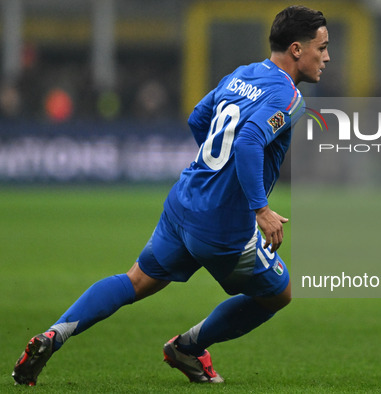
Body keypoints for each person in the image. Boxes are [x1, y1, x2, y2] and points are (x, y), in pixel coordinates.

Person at [12, 5, 330, 386]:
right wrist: (260, 209)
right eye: (322, 47)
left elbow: (198, 116)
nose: (327, 57)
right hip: (223, 227)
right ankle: (188, 347)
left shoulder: (241, 74)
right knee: (279, 294)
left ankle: (53, 335)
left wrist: (215, 172)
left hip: (184, 202)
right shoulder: (290, 98)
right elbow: (247, 141)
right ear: (297, 49)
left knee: (134, 281)